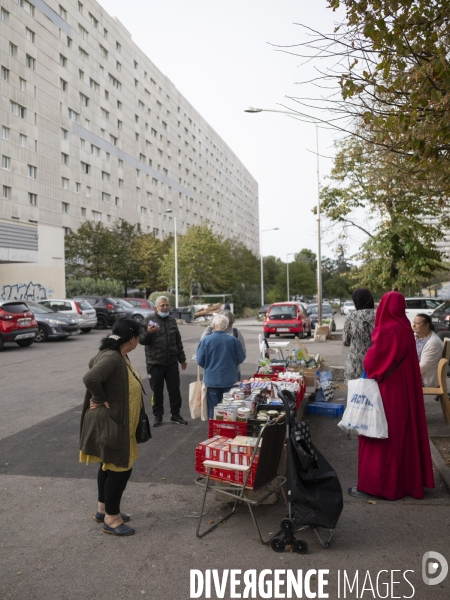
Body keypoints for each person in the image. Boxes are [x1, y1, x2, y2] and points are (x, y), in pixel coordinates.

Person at [349, 291, 434, 500]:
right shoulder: (405, 328)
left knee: (376, 436)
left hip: (385, 393)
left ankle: (375, 486)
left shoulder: (386, 329)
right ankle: (404, 484)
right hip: (404, 393)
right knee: (402, 437)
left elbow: (372, 362)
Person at [79, 318, 143, 537]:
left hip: (116, 422)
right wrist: (100, 397)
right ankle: (112, 519)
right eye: (139, 336)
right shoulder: (113, 357)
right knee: (120, 468)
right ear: (132, 338)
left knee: (109, 466)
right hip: (113, 423)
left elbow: (92, 364)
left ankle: (102, 509)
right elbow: (91, 375)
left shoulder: (116, 353)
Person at [139, 296, 187, 427]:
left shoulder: (172, 321)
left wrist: (182, 359)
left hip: (171, 363)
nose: (165, 308)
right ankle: (158, 416)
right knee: (157, 391)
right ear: (156, 307)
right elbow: (141, 340)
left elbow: (178, 341)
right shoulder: (148, 321)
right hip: (155, 363)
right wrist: (148, 333)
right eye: (162, 306)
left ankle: (175, 415)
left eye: (167, 305)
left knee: (175, 390)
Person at [196, 314, 246, 418]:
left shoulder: (205, 340)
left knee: (214, 409)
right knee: (230, 410)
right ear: (226, 326)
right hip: (230, 379)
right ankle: (228, 431)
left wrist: (209, 366)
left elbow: (199, 360)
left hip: (212, 380)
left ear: (213, 325)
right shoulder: (233, 340)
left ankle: (214, 431)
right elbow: (241, 358)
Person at [343, 288, 376, 383]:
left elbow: (346, 341)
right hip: (375, 363)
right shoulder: (379, 315)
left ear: (356, 301)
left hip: (355, 363)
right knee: (374, 394)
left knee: (356, 395)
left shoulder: (351, 316)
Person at [413, 313, 443, 387]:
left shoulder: (433, 342)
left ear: (426, 325)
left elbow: (422, 367)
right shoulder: (415, 336)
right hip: (415, 373)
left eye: (418, 323)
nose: (414, 325)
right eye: (414, 323)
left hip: (423, 379)